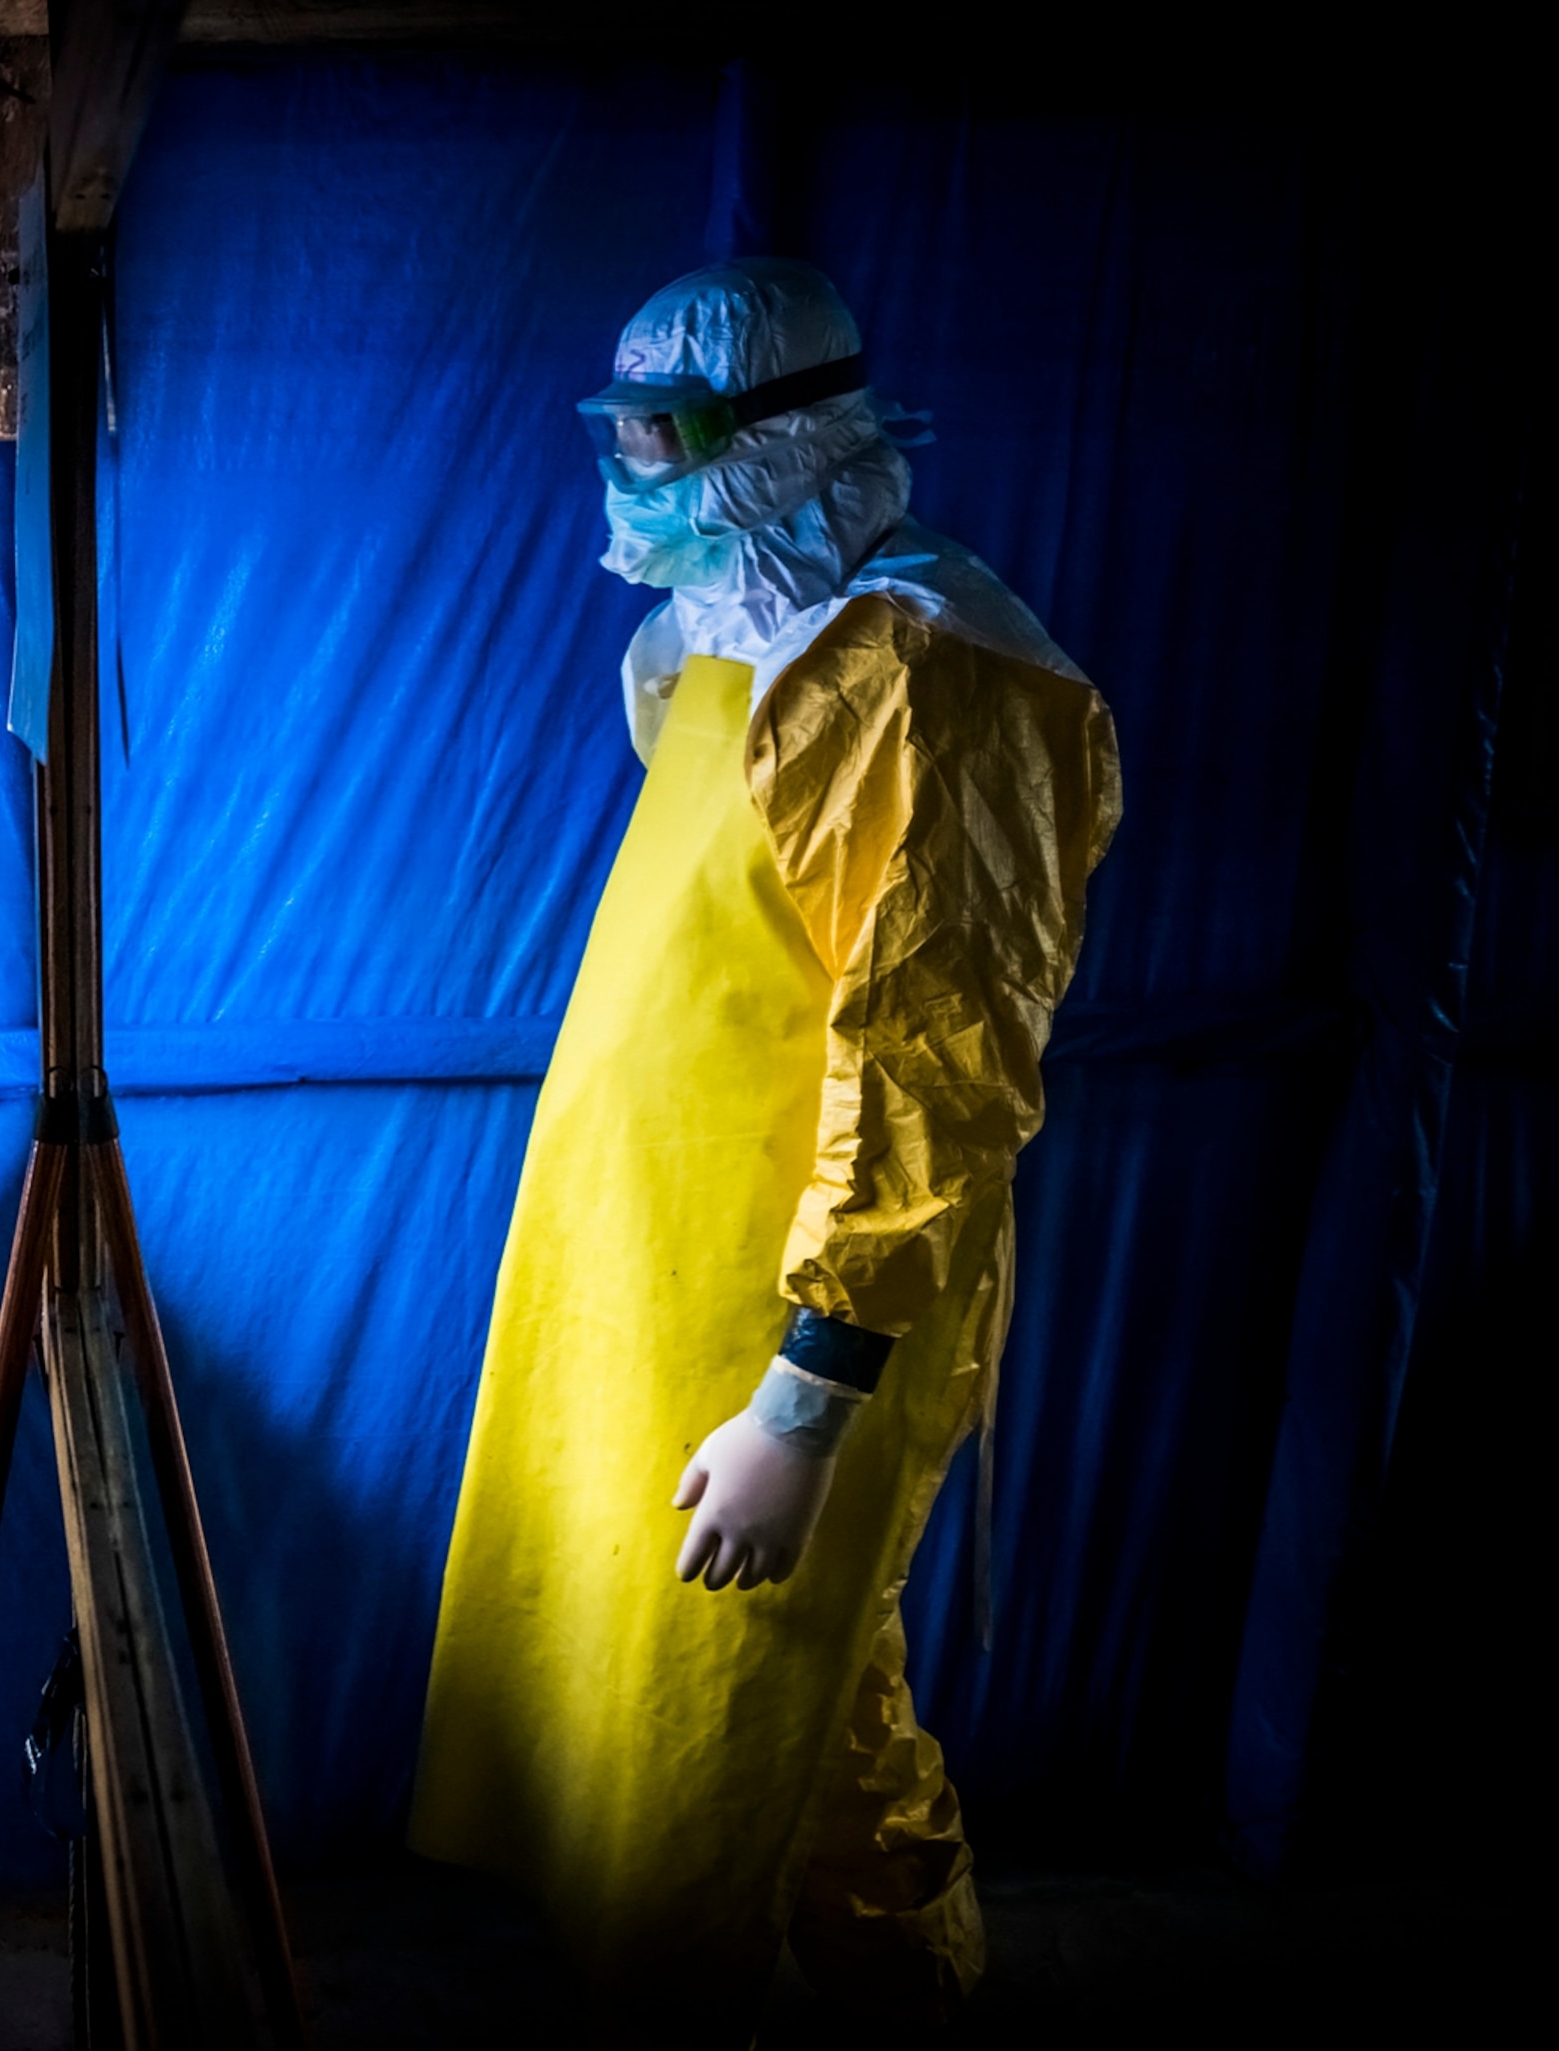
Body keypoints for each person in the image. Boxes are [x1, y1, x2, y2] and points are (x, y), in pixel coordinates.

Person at [410, 258, 1122, 2041]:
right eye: (622, 428)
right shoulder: (730, 643)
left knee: (781, 1726)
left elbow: (935, 1062)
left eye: (670, 435)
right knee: (761, 1730)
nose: (632, 467)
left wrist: (810, 1389)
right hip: (662, 1294)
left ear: (783, 444)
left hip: (794, 1316)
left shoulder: (931, 677)